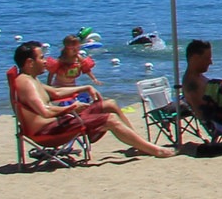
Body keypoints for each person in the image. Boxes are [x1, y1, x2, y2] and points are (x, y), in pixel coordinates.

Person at [10, 42, 173, 158]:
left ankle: (140, 145)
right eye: (41, 58)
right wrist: (71, 108)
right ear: (30, 62)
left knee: (110, 104)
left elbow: (56, 92)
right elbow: (45, 112)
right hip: (48, 132)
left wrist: (85, 87)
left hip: (56, 123)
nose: (46, 61)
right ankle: (155, 150)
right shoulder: (26, 83)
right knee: (110, 119)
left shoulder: (30, 78)